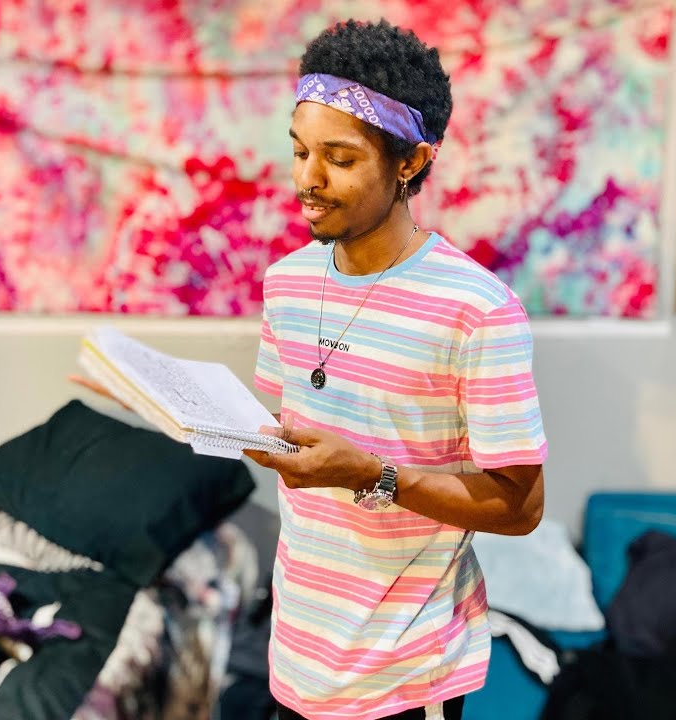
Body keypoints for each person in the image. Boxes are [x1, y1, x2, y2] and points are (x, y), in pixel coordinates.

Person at [242, 19, 549, 720]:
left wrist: (370, 474)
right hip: (297, 660)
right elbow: (292, 437)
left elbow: (522, 508)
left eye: (339, 158)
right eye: (300, 151)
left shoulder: (478, 310)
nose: (307, 179)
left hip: (407, 678)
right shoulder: (286, 284)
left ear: (410, 161)